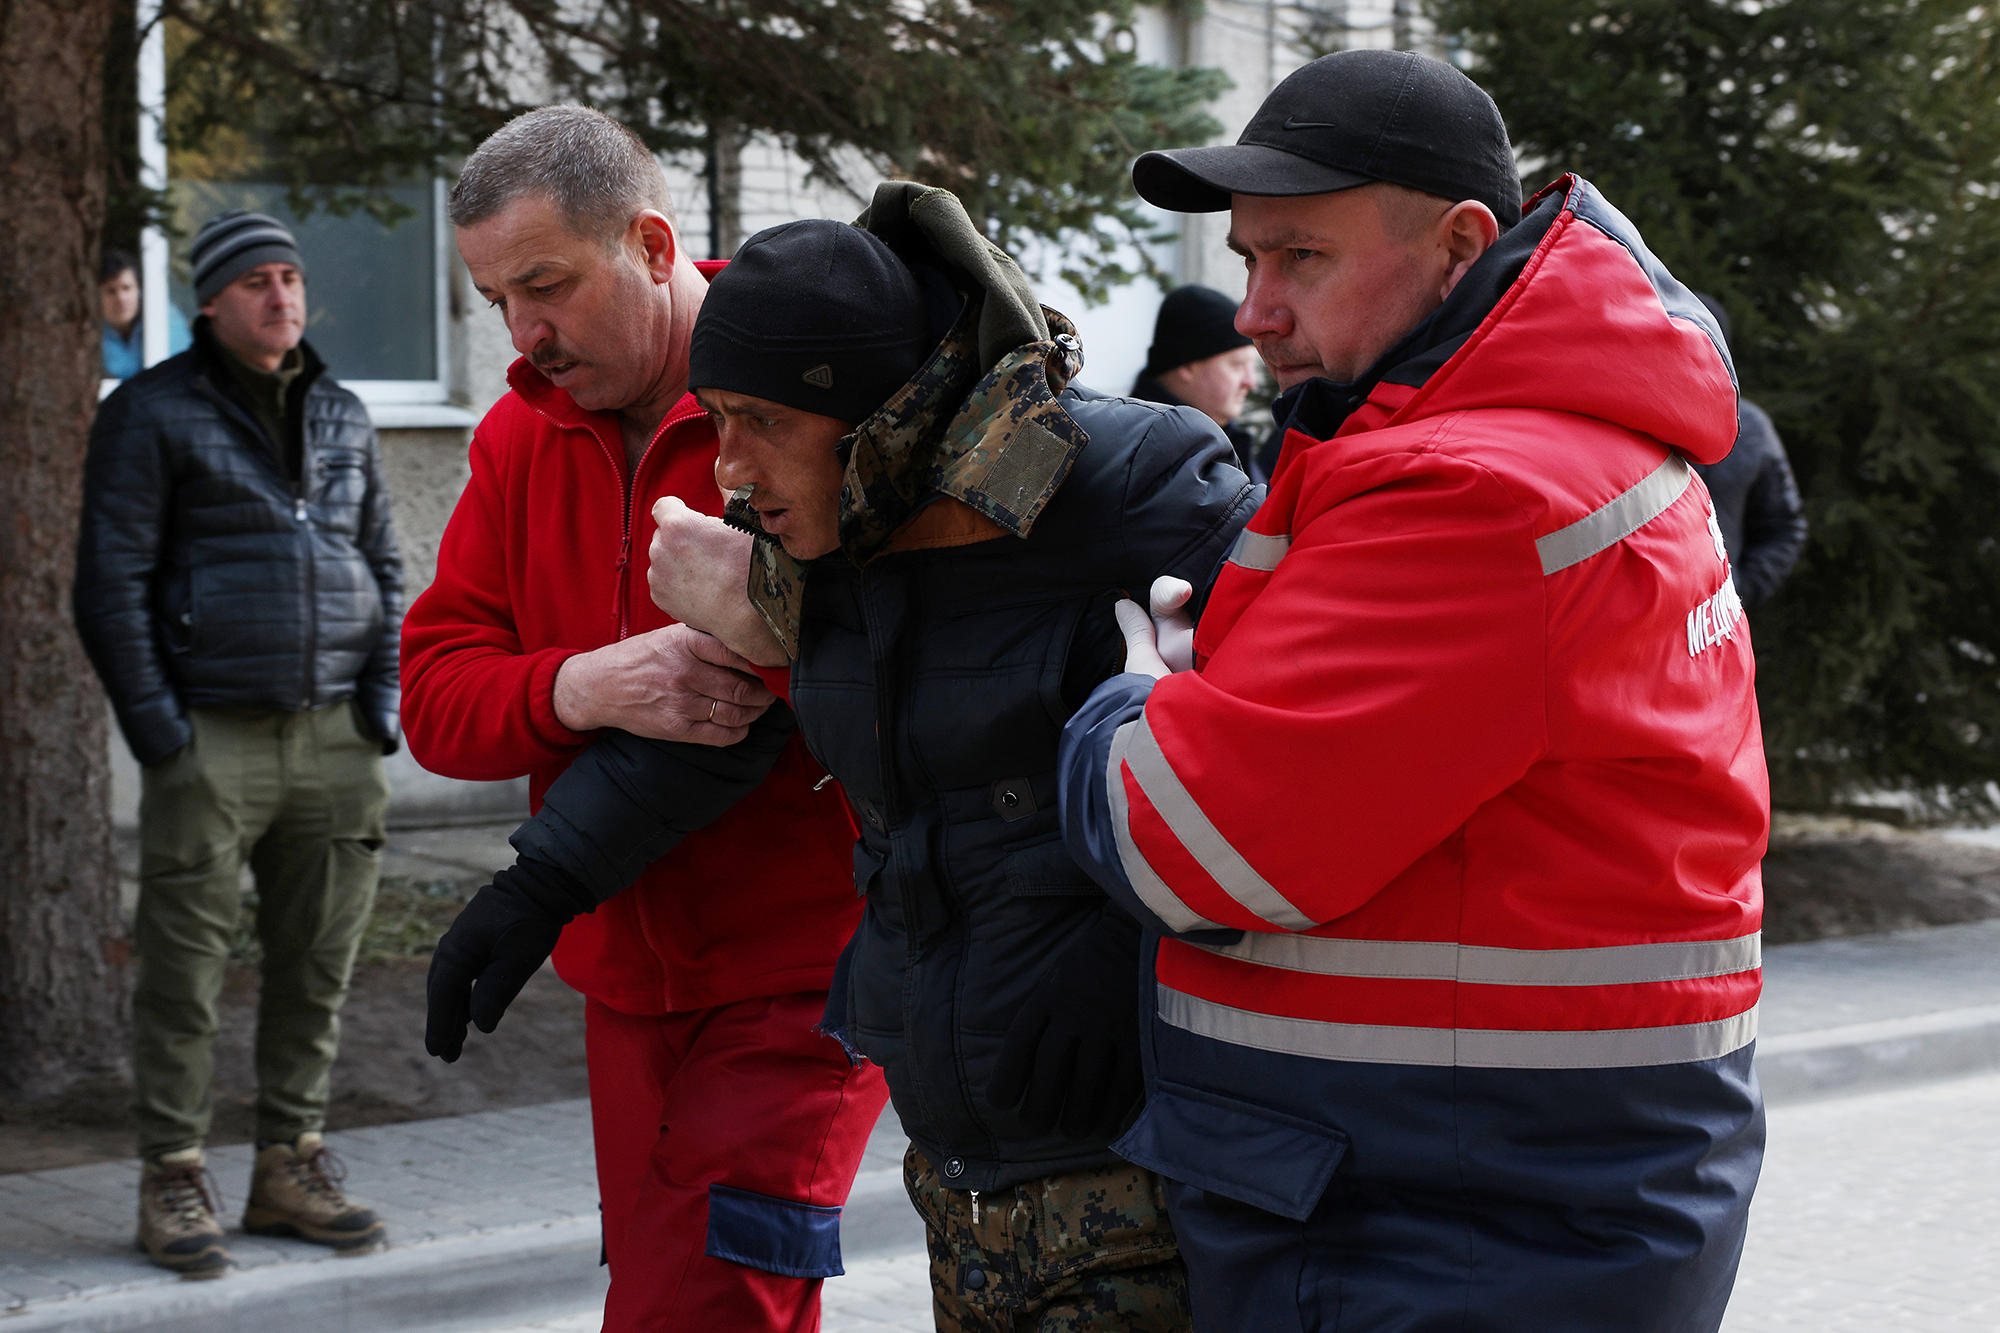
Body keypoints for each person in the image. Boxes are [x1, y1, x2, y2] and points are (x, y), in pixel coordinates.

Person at [426, 188, 1259, 1330]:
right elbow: (758, 714)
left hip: (1130, 1128)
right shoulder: (846, 520)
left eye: (757, 421)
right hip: (963, 1137)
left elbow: (1273, 767)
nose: (725, 468)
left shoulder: (1128, 486)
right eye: (713, 417)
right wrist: (541, 883)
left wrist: (1116, 951)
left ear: (866, 410)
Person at [1056, 49, 1768, 1332]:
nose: (1254, 311)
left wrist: (1130, 695)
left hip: (1433, 1223)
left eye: (1300, 259)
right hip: (1493, 1192)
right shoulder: (1542, 438)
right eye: (1248, 259)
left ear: (1458, 243)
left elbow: (1188, 843)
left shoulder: (1472, 490)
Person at [399, 105, 889, 1333]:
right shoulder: (517, 437)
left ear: (654, 245)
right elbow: (436, 704)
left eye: (546, 285)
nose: (523, 333)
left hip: (807, 976)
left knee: (699, 1306)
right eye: (495, 297)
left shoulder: (810, 391)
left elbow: (905, 666)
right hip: (622, 982)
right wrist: (584, 684)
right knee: (687, 1296)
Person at [75, 209, 403, 1277]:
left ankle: (287, 1162)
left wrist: (379, 708)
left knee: (319, 961)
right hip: (209, 739)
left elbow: (388, 570)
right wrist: (164, 734)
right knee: (184, 967)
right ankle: (172, 1172)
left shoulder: (345, 413)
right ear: (211, 300)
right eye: (257, 280)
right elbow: (108, 586)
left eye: (292, 277)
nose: (282, 296)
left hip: (334, 739)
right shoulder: (150, 412)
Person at [1691, 292, 1808, 607]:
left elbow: (1784, 526)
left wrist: (1737, 592)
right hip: (1631, 628)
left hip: (1716, 629)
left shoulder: (1752, 429)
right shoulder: (1627, 420)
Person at [1129, 285, 1265, 480]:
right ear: (1187, 366)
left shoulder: (1227, 440)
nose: (1251, 382)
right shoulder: (1142, 453)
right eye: (1237, 365)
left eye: (1252, 367)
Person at [99, 248, 191, 380]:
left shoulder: (164, 320)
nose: (121, 299)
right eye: (111, 291)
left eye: (126, 288)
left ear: (139, 290)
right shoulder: (90, 331)